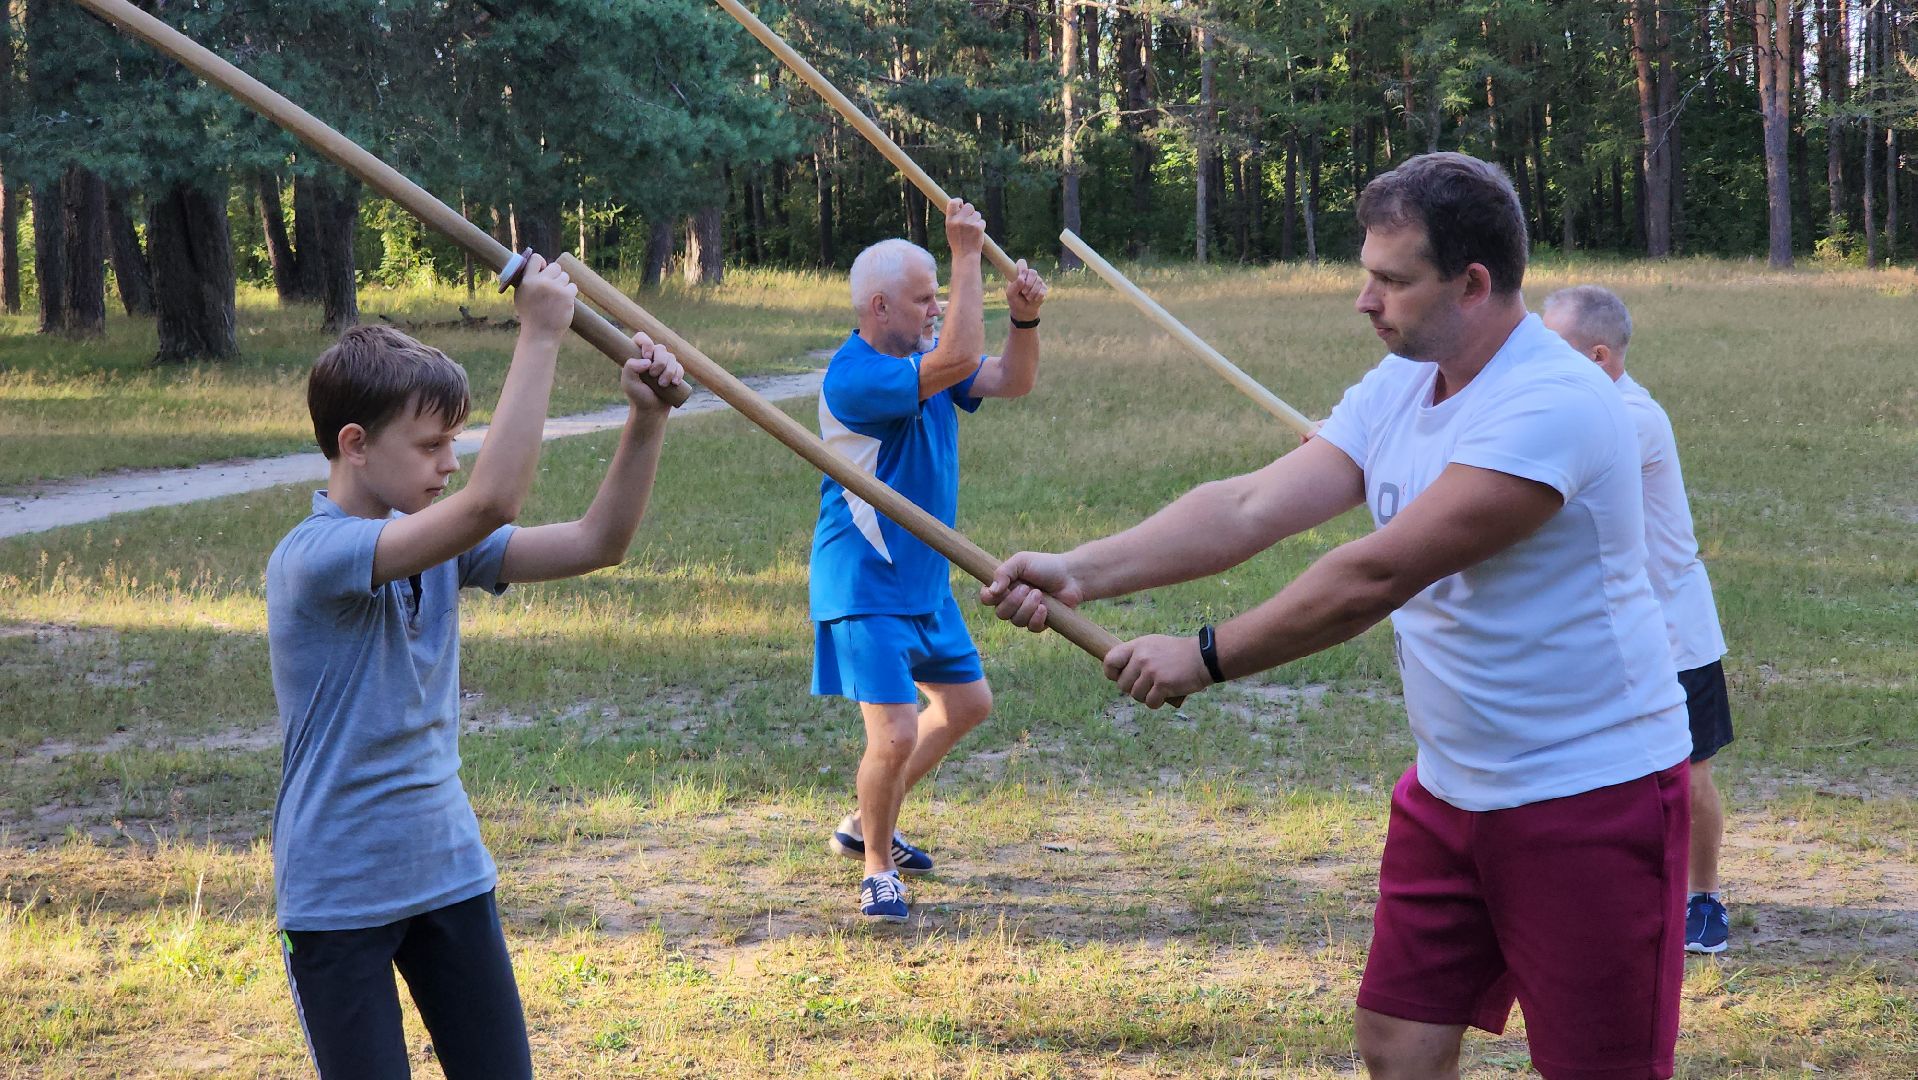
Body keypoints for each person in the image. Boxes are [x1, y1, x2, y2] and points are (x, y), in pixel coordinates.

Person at [982, 153, 1691, 1079]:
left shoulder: (1556, 405)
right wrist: (1079, 571)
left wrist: (1204, 655)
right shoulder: (1406, 379)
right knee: (1397, 1047)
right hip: (1451, 788)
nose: (1365, 300)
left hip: (1591, 795)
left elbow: (1375, 575)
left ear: (1472, 285)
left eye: (1391, 280)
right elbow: (1248, 506)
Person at [266, 255, 685, 1079]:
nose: (449, 463)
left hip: (449, 868)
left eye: (454, 441)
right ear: (354, 445)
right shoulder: (313, 556)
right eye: (430, 446)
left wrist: (646, 419)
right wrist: (538, 332)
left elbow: (598, 543)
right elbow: (493, 500)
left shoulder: (436, 543)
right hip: (340, 893)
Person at [811, 198, 1050, 922]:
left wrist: (1024, 317)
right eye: (924, 299)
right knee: (896, 732)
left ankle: (863, 825)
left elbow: (1012, 379)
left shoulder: (925, 362)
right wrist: (969, 255)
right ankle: (877, 867)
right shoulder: (856, 376)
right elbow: (953, 358)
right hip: (864, 580)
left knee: (967, 705)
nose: (936, 307)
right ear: (879, 307)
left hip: (924, 580)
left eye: (938, 297)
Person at [1543, 284, 1733, 955]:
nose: (1533, 357)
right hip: (1607, 630)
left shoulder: (1629, 418)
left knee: (1688, 773)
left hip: (1675, 633)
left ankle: (1702, 899)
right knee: (1590, 770)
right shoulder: (1580, 402)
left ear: (1598, 357)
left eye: (1551, 346)